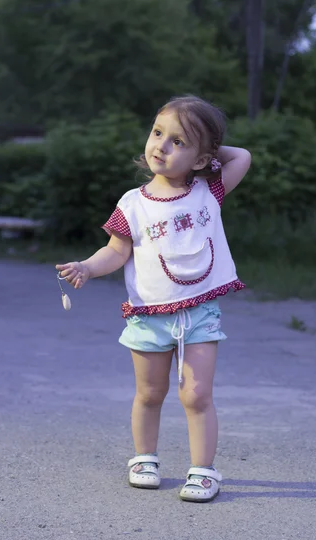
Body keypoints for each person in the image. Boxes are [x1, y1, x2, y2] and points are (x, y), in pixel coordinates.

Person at [56, 95, 251, 503]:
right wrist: (89, 267)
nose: (161, 145)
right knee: (149, 393)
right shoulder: (133, 204)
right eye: (158, 133)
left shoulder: (208, 190)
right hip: (148, 315)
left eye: (178, 142)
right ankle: (144, 458)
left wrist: (210, 153)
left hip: (199, 311)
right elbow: (116, 251)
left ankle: (202, 470)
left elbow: (242, 157)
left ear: (202, 160)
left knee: (196, 395)